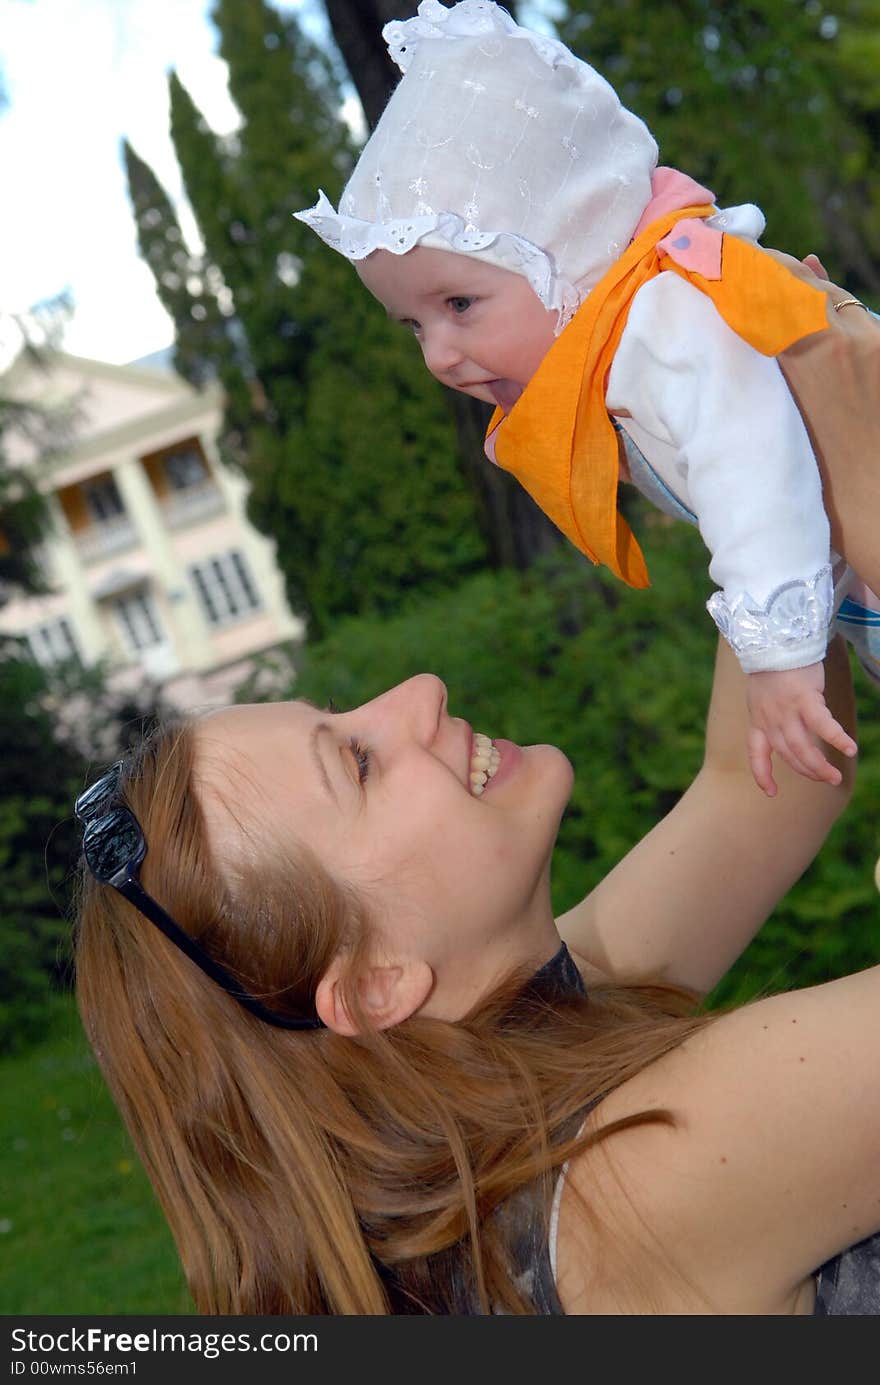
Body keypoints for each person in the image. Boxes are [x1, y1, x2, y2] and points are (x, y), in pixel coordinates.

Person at [73, 620, 880, 1315]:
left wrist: (756, 502)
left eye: (339, 714)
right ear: (373, 985)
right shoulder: (631, 1186)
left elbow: (767, 788)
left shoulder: (515, 1072)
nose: (420, 691)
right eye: (358, 763)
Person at [294, 0, 879, 798]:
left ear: (570, 244)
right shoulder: (620, 338)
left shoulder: (664, 314)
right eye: (412, 326)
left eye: (459, 305)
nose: (439, 355)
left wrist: (778, 656)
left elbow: (750, 460)